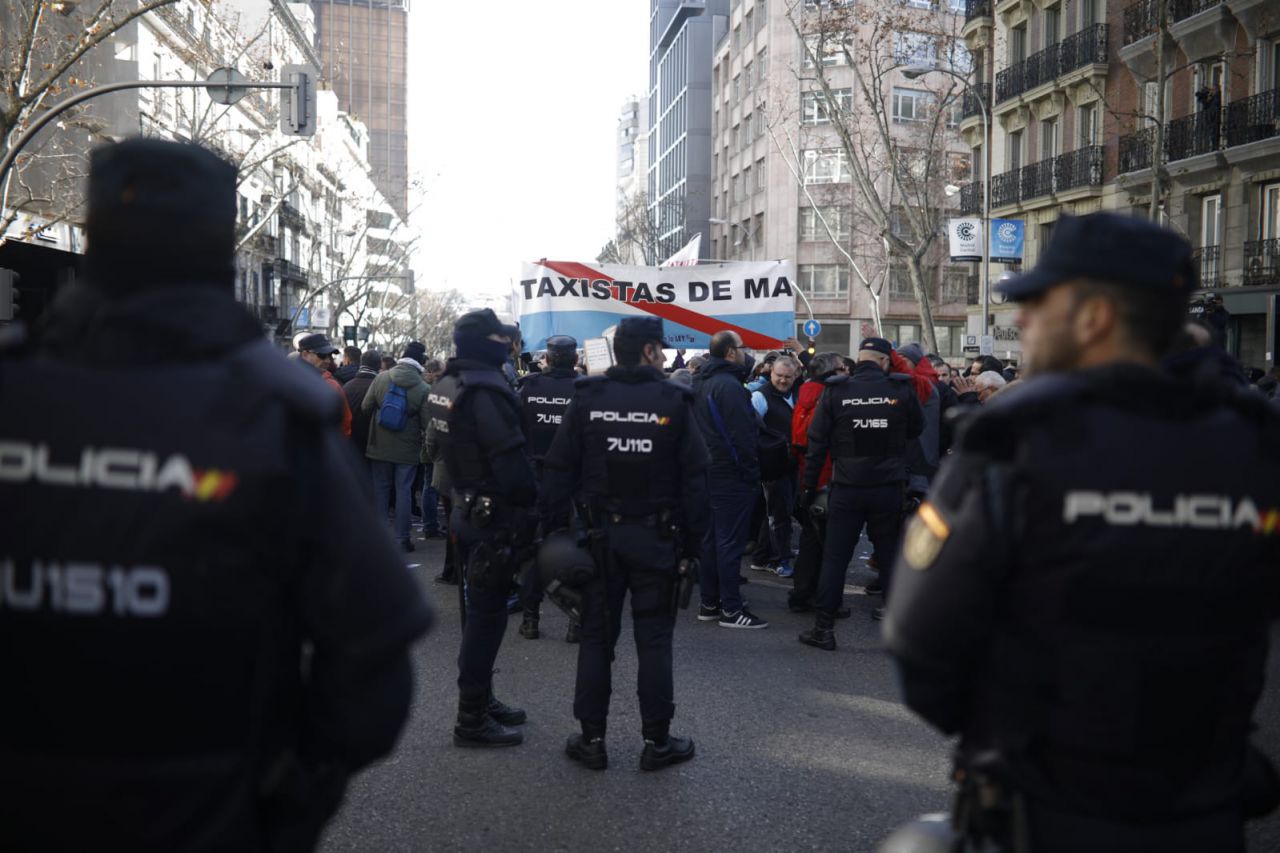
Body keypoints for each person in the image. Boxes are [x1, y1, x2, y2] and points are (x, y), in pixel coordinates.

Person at [0, 138, 433, 852]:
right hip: (204, 814)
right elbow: (374, 662)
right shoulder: (279, 422)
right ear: (221, 244)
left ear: (95, 230)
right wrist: (286, 800)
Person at [883, 212, 1280, 853]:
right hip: (1204, 807)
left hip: (1046, 804)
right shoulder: (1257, 442)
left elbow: (920, 640)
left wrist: (1012, 741)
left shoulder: (1016, 439)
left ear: (1094, 317)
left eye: (1038, 306)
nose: (1021, 323)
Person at [542, 317, 709, 771]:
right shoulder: (674, 399)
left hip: (598, 538)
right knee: (654, 640)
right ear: (652, 351)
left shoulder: (588, 397)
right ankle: (657, 742)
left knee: (597, 638)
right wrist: (693, 547)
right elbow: (696, 479)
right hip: (657, 538)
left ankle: (591, 739)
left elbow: (559, 471)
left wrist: (556, 535)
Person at [428, 308, 538, 748]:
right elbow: (511, 464)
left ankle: (482, 698)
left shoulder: (447, 383)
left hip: (465, 506)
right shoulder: (486, 390)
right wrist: (533, 506)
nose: (509, 345)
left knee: (479, 614)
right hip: (492, 516)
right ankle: (471, 716)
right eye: (502, 338)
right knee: (486, 618)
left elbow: (437, 446)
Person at [797, 338, 922, 649]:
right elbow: (916, 429)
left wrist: (808, 488)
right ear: (883, 361)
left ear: (860, 359)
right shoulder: (900, 389)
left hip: (847, 488)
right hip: (888, 488)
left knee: (835, 558)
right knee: (891, 558)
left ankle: (823, 630)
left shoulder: (837, 390)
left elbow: (816, 444)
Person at [691, 330, 768, 629]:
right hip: (730, 474)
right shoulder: (730, 386)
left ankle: (710, 603)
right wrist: (751, 475)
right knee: (729, 543)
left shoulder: (699, 382)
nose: (746, 352)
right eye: (742, 347)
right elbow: (743, 437)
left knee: (712, 540)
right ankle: (731, 609)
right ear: (730, 353)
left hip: (706, 472)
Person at [515, 334, 582, 642]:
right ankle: (576, 619)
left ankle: (530, 617)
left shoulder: (529, 388)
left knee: (532, 550)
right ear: (576, 359)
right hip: (571, 484)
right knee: (574, 551)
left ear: (549, 359)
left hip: (533, 479)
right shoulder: (583, 391)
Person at [787, 351, 846, 614]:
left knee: (812, 540)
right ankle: (823, 601)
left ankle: (802, 594)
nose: (847, 371)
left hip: (809, 475)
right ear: (832, 372)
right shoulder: (830, 397)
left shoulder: (805, 394)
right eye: (843, 367)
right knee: (830, 545)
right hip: (829, 477)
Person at [362, 342, 432, 552]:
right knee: (404, 492)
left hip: (379, 445)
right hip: (407, 449)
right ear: (420, 363)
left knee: (380, 491)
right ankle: (402, 539)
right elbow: (427, 423)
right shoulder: (423, 387)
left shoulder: (381, 377)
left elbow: (366, 407)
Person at [749, 353, 800, 578]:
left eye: (788, 377)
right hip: (771, 466)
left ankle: (761, 556)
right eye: (779, 375)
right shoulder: (759, 397)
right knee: (778, 515)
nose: (782, 380)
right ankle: (781, 559)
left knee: (777, 511)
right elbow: (750, 431)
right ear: (771, 372)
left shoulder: (798, 391)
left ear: (795, 375)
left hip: (793, 463)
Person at [298, 333, 353, 439]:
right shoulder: (286, 382)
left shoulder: (332, 385)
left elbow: (345, 422)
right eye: (322, 355)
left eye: (330, 356)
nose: (328, 360)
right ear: (305, 354)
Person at [343, 349, 382, 462]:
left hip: (350, 441)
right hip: (373, 443)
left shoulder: (347, 386)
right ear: (378, 366)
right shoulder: (380, 387)